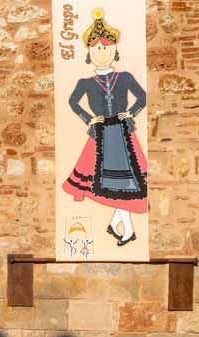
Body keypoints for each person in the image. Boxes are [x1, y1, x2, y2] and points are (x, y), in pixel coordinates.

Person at [62, 8, 147, 247]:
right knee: (120, 184)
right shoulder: (85, 83)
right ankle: (124, 229)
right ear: (89, 53)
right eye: (97, 48)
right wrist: (88, 118)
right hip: (100, 136)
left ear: (115, 50)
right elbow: (72, 102)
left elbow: (143, 97)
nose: (102, 52)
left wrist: (131, 112)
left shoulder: (125, 77)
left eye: (106, 47)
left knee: (126, 183)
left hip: (123, 134)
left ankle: (120, 226)